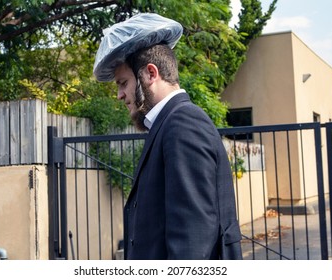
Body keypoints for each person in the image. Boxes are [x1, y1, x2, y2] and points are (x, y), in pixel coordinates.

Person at [93, 13, 242, 260]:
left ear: (151, 74)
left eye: (123, 83)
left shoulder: (183, 124)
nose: (120, 95)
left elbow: (193, 239)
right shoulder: (167, 124)